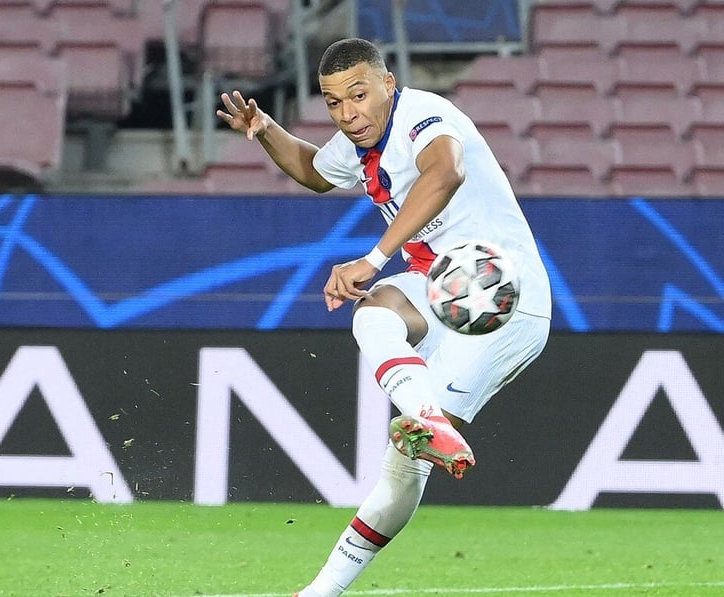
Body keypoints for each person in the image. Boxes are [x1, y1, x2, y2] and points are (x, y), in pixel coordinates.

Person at [217, 37, 552, 597]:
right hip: (442, 285)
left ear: (387, 84)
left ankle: (426, 422)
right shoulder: (359, 138)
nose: (347, 114)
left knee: (403, 460)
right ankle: (423, 424)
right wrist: (265, 129)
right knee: (372, 315)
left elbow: (444, 174)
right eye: (332, 102)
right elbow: (319, 173)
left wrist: (372, 258)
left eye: (358, 95)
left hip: (502, 298)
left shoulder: (424, 113)